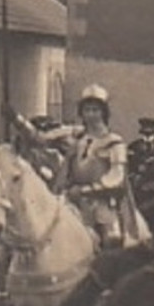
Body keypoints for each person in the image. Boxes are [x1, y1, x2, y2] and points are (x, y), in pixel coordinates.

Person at [64, 84, 131, 247]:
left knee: (112, 239)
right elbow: (41, 137)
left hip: (102, 202)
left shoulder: (114, 142)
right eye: (87, 110)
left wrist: (86, 190)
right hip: (73, 200)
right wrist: (17, 120)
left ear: (104, 113)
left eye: (95, 110)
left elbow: (116, 177)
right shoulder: (77, 137)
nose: (91, 115)